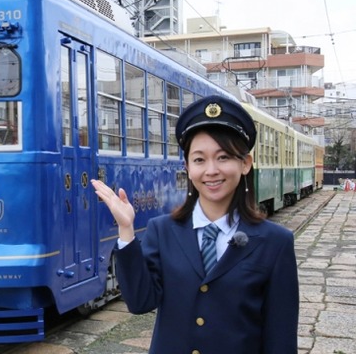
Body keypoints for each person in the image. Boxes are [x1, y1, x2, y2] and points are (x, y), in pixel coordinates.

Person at [91, 95, 299, 353]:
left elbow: (281, 338)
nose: (211, 170)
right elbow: (140, 302)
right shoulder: (163, 231)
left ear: (245, 164)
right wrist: (126, 230)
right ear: (187, 167)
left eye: (223, 157)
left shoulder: (275, 242)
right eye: (199, 160)